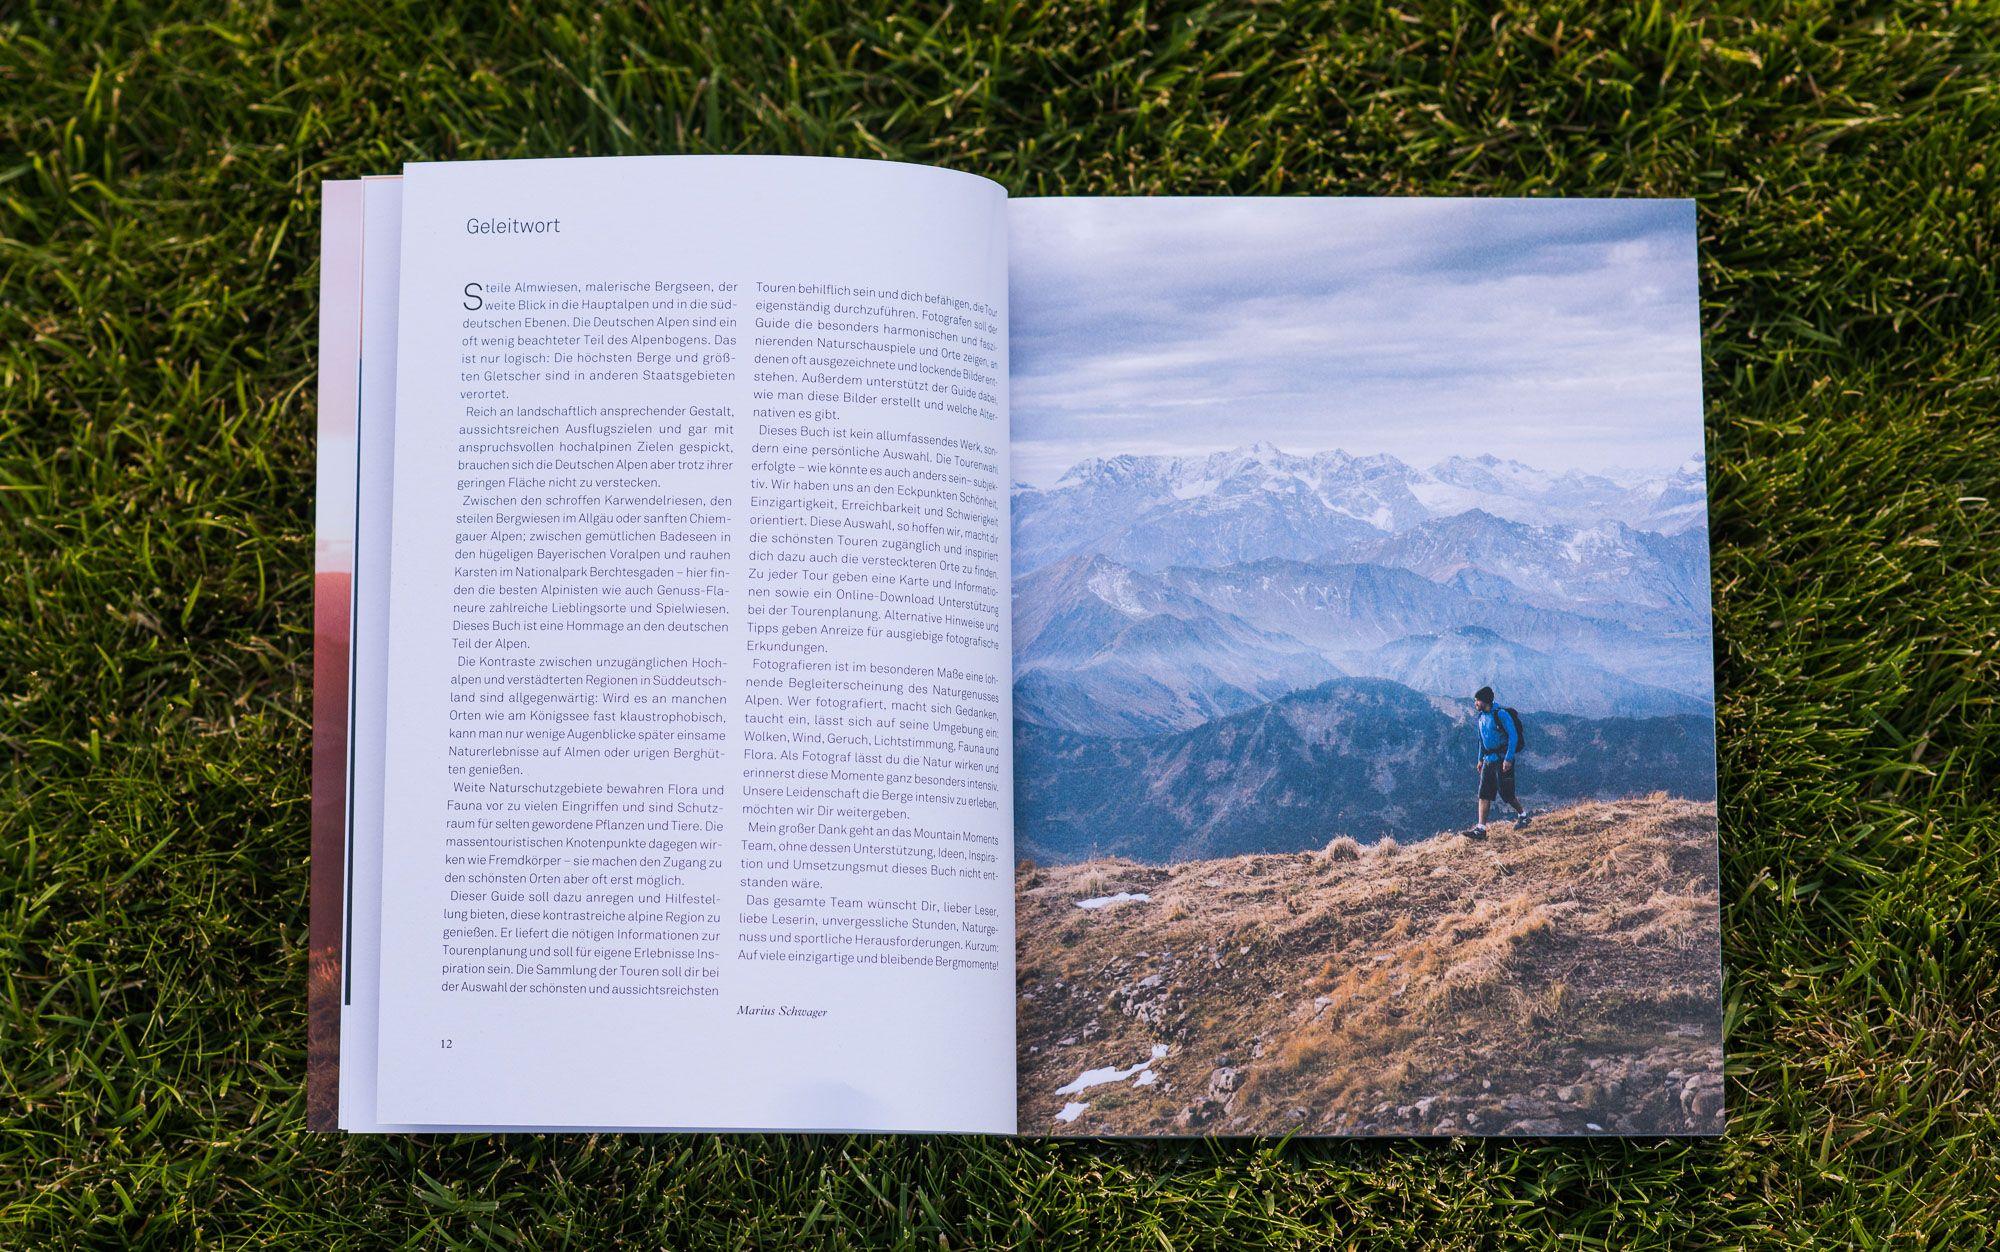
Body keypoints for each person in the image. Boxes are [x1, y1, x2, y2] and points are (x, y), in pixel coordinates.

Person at [1468, 686, 1529, 839]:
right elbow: (1481, 741)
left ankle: (1523, 815)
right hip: (1488, 760)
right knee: (1484, 794)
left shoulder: (1500, 714)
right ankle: (1480, 829)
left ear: (1485, 701)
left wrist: (1508, 758)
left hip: (1502, 759)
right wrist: (1480, 760)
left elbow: (1513, 736)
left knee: (1506, 794)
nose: (1475, 703)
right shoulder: (1481, 717)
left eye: (1477, 700)